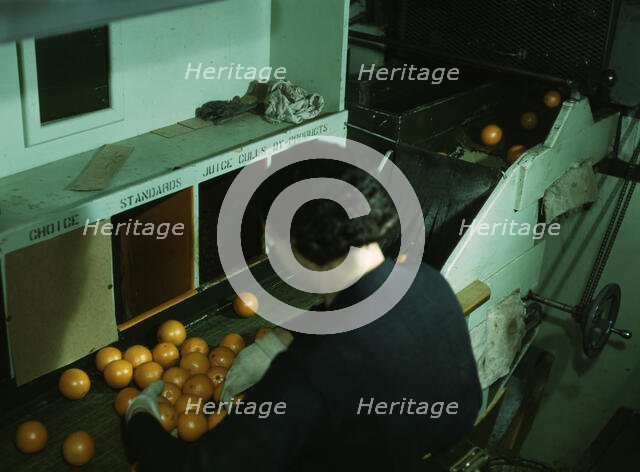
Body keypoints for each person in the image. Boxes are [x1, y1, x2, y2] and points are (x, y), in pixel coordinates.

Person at [126, 159, 482, 471]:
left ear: (280, 246)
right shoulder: (427, 280)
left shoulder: (312, 370)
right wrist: (286, 337)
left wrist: (141, 417)